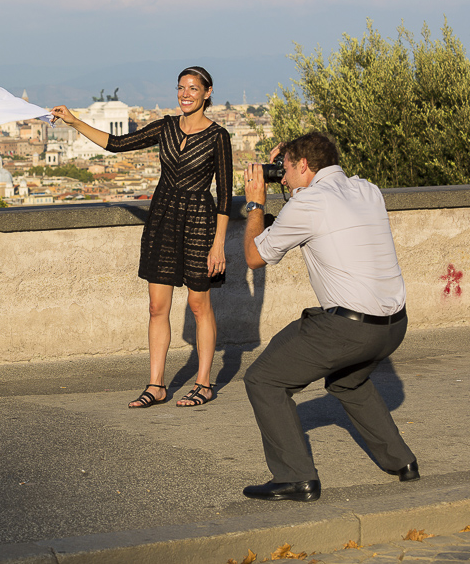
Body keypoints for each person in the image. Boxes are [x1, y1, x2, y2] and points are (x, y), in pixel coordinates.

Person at [241, 132, 417, 502]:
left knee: (263, 380)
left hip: (348, 328)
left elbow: (255, 257)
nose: (282, 178)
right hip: (394, 325)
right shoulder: (368, 190)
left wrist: (256, 205)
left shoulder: (309, 204)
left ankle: (295, 478)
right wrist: (288, 174)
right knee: (347, 382)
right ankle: (402, 462)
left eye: (284, 169)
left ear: (303, 165)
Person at [50, 66, 232, 409]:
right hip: (163, 218)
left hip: (198, 223)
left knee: (198, 305)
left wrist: (218, 243)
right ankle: (156, 385)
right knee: (156, 307)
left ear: (207, 93)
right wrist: (74, 122)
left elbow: (224, 194)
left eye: (193, 88)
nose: (185, 94)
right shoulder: (165, 127)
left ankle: (204, 383)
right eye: (181, 88)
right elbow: (118, 144)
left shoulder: (218, 136)